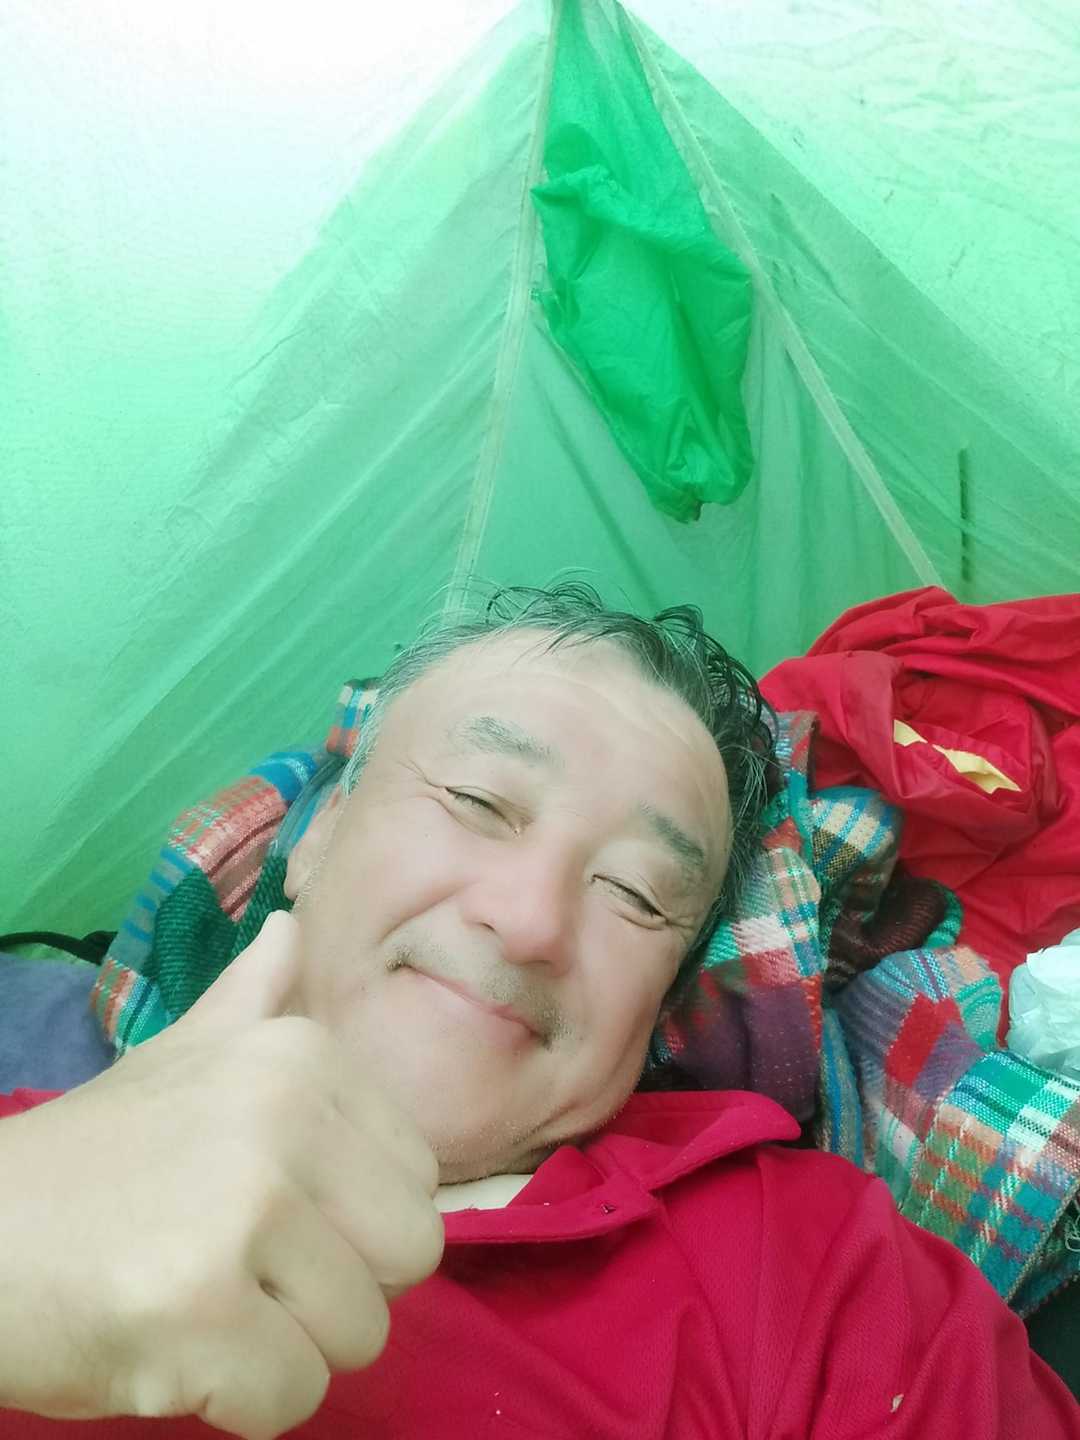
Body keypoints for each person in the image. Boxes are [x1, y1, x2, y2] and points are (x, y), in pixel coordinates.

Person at [0, 585, 1077, 1440]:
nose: (529, 920)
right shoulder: (35, 1163)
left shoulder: (818, 1274)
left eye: (637, 894)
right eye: (478, 801)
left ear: (661, 1004)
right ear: (316, 838)